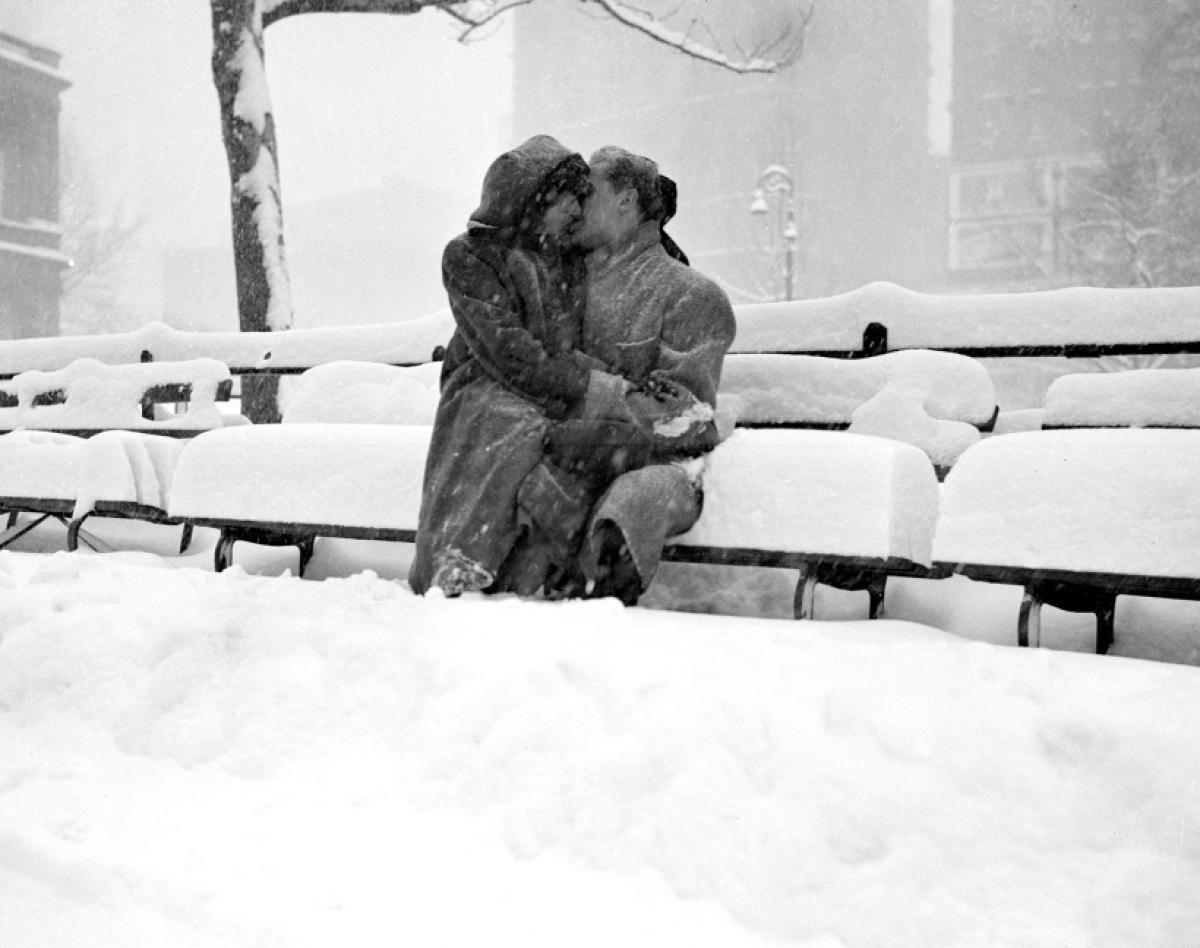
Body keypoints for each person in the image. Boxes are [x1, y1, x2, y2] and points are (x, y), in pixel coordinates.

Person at [542, 145, 737, 603]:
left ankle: (598, 615)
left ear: (626, 200)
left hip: (660, 463)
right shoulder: (554, 283)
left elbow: (682, 419)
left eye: (585, 193)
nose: (573, 206)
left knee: (637, 497)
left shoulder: (689, 294)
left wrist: (589, 391)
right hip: (563, 449)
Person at [408, 135, 601, 597]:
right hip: (481, 384)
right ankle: (459, 561)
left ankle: (529, 574)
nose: (577, 210)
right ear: (536, 198)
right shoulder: (469, 255)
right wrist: (582, 383)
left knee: (567, 440)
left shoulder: (565, 257)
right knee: (513, 428)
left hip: (551, 385)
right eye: (569, 198)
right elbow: (506, 349)